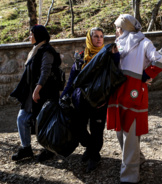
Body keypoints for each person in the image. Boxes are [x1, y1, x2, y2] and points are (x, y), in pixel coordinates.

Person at [107, 14, 162, 184]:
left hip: (132, 92)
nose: (116, 31)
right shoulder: (119, 44)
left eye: (118, 27)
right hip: (118, 92)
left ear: (124, 28)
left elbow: (159, 62)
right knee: (120, 131)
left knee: (130, 133)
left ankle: (130, 177)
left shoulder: (143, 42)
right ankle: (136, 159)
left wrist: (143, 77)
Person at [60, 27, 113, 173]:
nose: (99, 39)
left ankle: (94, 157)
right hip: (81, 102)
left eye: (101, 36)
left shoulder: (107, 57)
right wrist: (64, 95)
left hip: (99, 103)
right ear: (89, 38)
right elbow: (71, 81)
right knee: (79, 128)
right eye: (95, 36)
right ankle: (90, 148)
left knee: (97, 131)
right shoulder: (81, 57)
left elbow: (112, 80)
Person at [10, 25, 61, 162]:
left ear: (39, 35)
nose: (29, 37)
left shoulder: (47, 51)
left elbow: (46, 72)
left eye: (31, 34)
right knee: (22, 118)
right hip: (32, 93)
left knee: (43, 121)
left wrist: (37, 90)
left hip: (44, 93)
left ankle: (49, 149)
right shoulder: (35, 50)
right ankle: (26, 148)